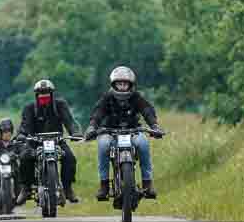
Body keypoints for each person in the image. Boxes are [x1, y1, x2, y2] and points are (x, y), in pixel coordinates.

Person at [84, 66, 164, 200]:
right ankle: (104, 185)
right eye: (119, 84)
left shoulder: (136, 97)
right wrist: (92, 127)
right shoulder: (107, 97)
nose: (122, 87)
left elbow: (147, 110)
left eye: (125, 84)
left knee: (143, 143)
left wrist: (154, 126)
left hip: (133, 131)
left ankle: (147, 184)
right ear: (114, 84)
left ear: (130, 85)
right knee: (103, 145)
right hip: (110, 132)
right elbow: (98, 112)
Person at [16, 79, 81, 205]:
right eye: (40, 93)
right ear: (36, 95)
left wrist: (75, 132)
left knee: (70, 158)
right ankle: (26, 188)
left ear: (52, 94)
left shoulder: (60, 105)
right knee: (24, 157)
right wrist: (22, 135)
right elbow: (25, 125)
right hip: (35, 141)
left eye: (46, 92)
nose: (43, 95)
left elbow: (70, 121)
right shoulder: (29, 108)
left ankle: (67, 188)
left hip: (57, 140)